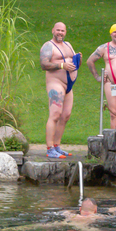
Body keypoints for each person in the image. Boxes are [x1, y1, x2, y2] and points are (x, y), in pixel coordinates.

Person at [40, 22, 82, 159]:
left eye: (62, 31)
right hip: (55, 83)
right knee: (55, 114)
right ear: (53, 30)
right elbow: (44, 64)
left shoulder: (68, 45)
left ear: (65, 32)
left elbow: (74, 64)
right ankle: (49, 148)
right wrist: (61, 65)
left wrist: (78, 59)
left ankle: (57, 145)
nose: (60, 33)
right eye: (58, 30)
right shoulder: (48, 46)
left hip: (69, 85)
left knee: (66, 115)